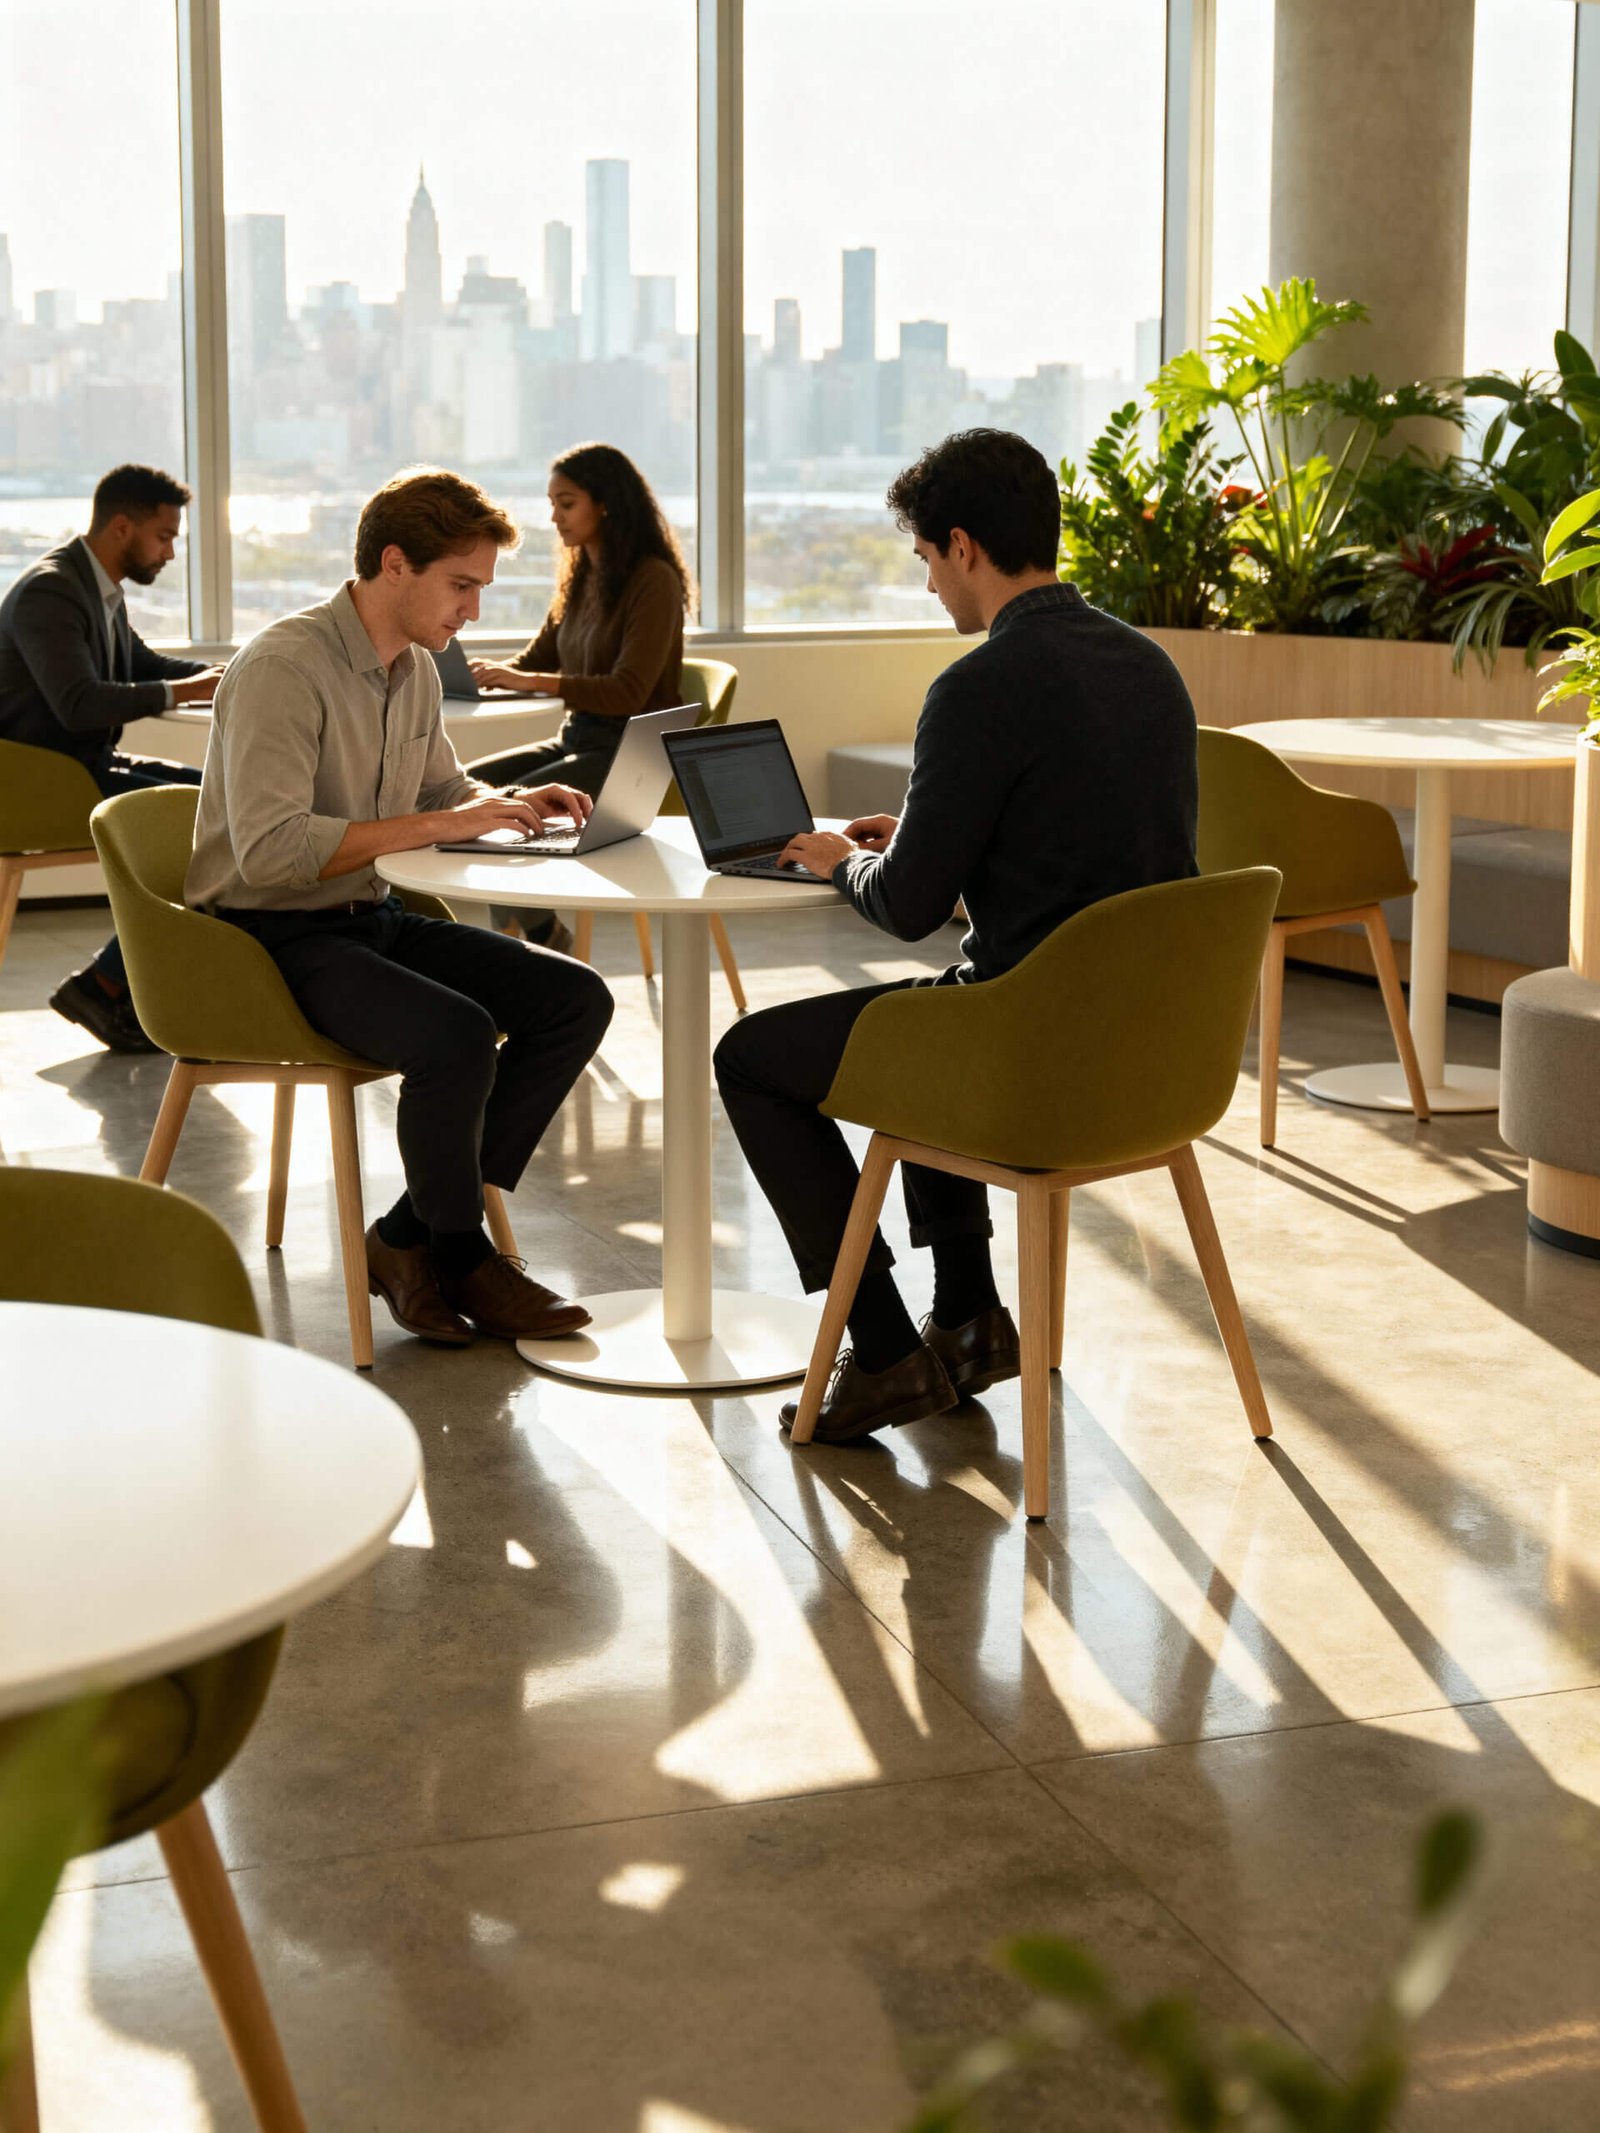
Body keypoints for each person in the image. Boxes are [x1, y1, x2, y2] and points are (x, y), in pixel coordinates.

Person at [714, 429, 1200, 1445]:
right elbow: (1088, 852)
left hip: (1026, 1064)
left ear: (965, 547)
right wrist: (932, 838)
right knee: (946, 1002)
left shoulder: (978, 687)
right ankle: (970, 1320)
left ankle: (886, 1354)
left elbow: (906, 910)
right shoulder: (1149, 667)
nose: (931, 586)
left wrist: (836, 860)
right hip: (1155, 1058)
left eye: (928, 560)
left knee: (753, 1058)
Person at [185, 466, 614, 1349]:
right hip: (269, 939)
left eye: (481, 588)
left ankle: (405, 1237)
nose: (474, 611)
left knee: (575, 999)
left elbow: (441, 789)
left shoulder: (413, 669)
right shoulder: (282, 667)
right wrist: (444, 817)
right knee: (454, 1035)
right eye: (462, 586)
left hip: (363, 918)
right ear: (393, 564)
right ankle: (461, 1252)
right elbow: (272, 851)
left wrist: (516, 800)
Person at [0, 465, 227, 1051]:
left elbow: (143, 665)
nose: (171, 552)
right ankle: (106, 984)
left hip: (77, 769)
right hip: (43, 784)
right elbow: (78, 705)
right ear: (122, 527)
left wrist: (228, 678)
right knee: (209, 821)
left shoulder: (94, 587)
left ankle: (114, 984)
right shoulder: (51, 591)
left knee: (224, 802)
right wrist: (191, 690)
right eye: (165, 536)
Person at [463, 441, 691, 945]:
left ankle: (537, 936)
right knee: (468, 790)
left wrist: (530, 681)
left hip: (628, 754)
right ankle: (532, 934)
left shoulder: (654, 581)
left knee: (509, 811)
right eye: (552, 503)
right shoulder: (582, 577)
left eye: (566, 504)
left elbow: (628, 692)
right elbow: (537, 660)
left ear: (604, 503)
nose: (554, 517)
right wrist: (481, 673)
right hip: (578, 740)